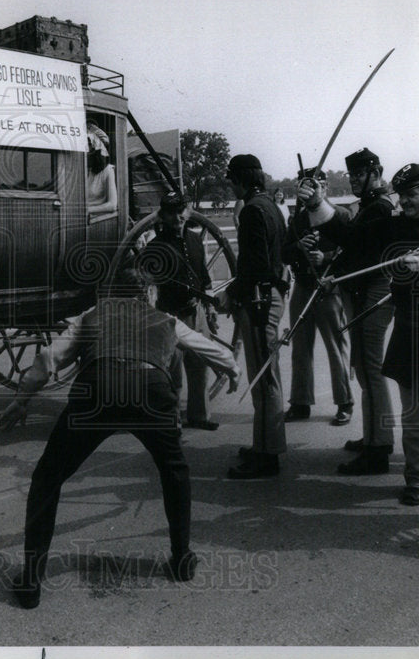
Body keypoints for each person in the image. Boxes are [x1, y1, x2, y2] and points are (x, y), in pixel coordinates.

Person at [0, 268, 241, 608]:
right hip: (151, 391)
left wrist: (22, 398)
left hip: (98, 389)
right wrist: (231, 368)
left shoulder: (92, 315)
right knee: (174, 471)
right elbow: (208, 348)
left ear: (110, 296)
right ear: (150, 295)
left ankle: (30, 580)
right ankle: (182, 559)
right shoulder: (165, 318)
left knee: (47, 477)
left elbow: (48, 358)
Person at [301, 162, 419, 505]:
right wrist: (316, 203)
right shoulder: (394, 226)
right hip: (411, 327)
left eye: (412, 194)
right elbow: (350, 236)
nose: (404, 202)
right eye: (401, 195)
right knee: (415, 411)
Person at [314, 148, 396, 474]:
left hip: (374, 292)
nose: (354, 179)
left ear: (375, 172)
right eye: (352, 174)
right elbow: (355, 249)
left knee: (370, 369)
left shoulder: (381, 207)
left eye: (360, 174)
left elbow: (354, 241)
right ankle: (373, 436)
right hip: (362, 289)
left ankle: (378, 449)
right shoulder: (370, 206)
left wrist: (317, 204)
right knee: (363, 367)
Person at [216, 154, 289, 479]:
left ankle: (268, 455)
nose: (230, 184)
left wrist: (231, 294)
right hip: (269, 295)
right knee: (265, 378)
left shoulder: (252, 211)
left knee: (264, 380)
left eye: (232, 178)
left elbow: (254, 266)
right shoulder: (270, 206)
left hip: (259, 301)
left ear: (244, 179)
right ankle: (263, 445)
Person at [138, 192, 219, 430]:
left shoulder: (194, 239)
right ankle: (172, 422)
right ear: (163, 216)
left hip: (196, 312)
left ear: (187, 212)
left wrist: (210, 307)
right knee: (172, 373)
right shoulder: (155, 247)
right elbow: (148, 286)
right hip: (169, 315)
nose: (178, 218)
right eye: (172, 213)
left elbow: (204, 276)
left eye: (181, 212)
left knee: (199, 366)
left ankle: (199, 416)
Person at [280, 168, 354, 426]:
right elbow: (284, 253)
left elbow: (352, 252)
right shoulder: (297, 219)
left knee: (335, 346)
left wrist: (327, 257)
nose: (313, 190)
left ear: (326, 188)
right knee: (300, 348)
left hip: (328, 289)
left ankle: (345, 402)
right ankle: (300, 403)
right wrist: (299, 247)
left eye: (318, 185)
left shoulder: (341, 215)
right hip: (303, 286)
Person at [86, 122, 118, 216]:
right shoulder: (84, 170)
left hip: (97, 220)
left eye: (89, 146)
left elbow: (112, 205)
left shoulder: (108, 170)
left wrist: (86, 210)